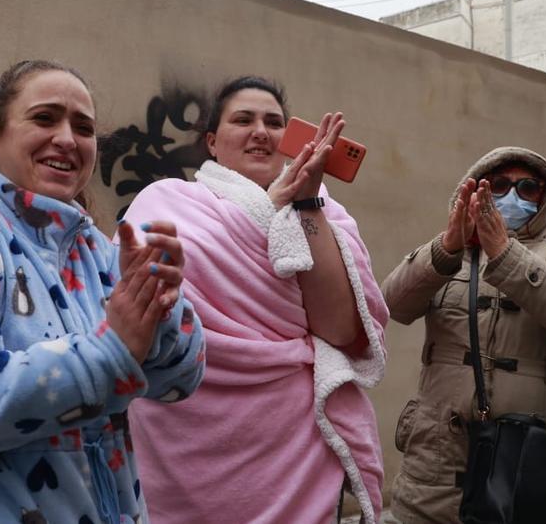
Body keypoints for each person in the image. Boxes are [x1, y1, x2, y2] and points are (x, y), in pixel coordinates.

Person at [0, 59, 205, 523]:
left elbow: (178, 383)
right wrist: (109, 354)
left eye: (84, 127)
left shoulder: (99, 250)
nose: (67, 138)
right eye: (45, 118)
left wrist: (160, 307)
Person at [122, 77, 389, 523]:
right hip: (185, 425)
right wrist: (265, 210)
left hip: (290, 443)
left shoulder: (328, 212)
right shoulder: (167, 200)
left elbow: (340, 329)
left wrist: (303, 205)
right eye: (242, 120)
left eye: (274, 122)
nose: (260, 131)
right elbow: (137, 305)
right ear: (211, 141)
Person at [384, 146, 546, 523]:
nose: (512, 196)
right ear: (474, 193)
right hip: (437, 460)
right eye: (500, 185)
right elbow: (392, 303)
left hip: (528, 461)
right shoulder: (448, 255)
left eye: (527, 187)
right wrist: (447, 247)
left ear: (544, 196)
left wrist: (507, 254)